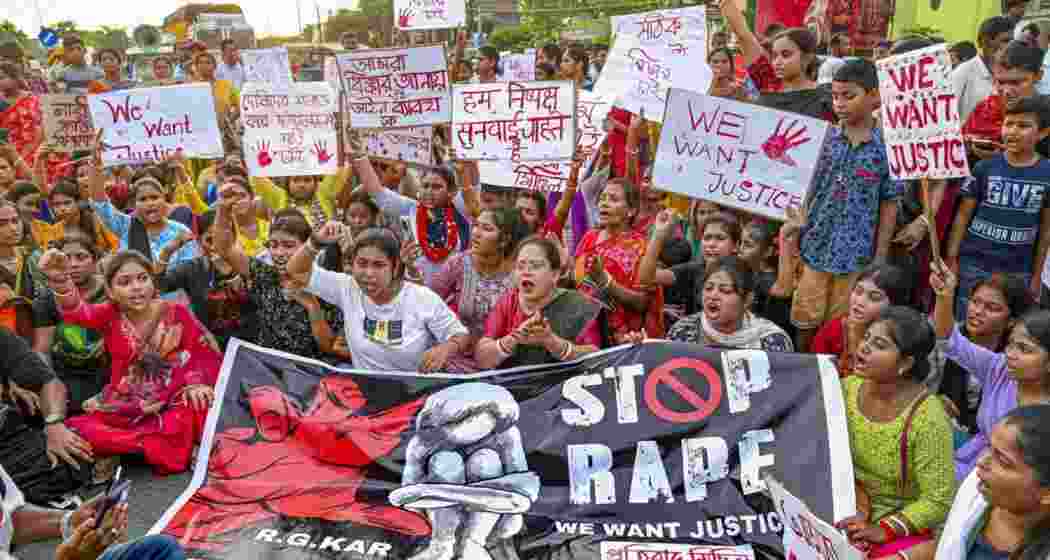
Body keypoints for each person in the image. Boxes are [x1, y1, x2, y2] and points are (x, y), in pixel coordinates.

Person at [40, 248, 222, 475]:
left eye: (142, 278)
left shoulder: (176, 312)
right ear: (111, 291)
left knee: (200, 404)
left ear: (153, 283)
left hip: (175, 397)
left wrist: (196, 383)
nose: (136, 287)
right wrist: (60, 281)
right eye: (125, 282)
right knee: (78, 429)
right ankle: (167, 445)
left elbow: (200, 353)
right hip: (127, 405)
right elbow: (79, 312)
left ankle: (134, 449)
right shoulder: (108, 314)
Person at [792, 59, 901, 352]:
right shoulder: (823, 138)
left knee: (842, 325)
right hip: (815, 245)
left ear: (875, 96)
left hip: (856, 255)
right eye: (835, 96)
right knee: (805, 318)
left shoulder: (887, 147)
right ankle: (804, 364)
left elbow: (890, 202)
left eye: (848, 96)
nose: (839, 103)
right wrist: (796, 230)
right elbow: (804, 186)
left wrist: (880, 255)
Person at [836, 306, 955, 559]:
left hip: (894, 525)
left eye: (879, 344)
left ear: (905, 363)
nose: (864, 348)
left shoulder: (928, 419)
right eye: (866, 337)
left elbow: (938, 500)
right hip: (844, 504)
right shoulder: (846, 389)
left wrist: (883, 529)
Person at [288, 224, 471, 373]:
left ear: (395, 266)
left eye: (378, 265)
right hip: (366, 394)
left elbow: (461, 335)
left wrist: (445, 349)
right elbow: (297, 271)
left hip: (415, 394)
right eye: (362, 264)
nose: (368, 273)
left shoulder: (421, 298)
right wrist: (315, 242)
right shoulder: (347, 288)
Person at [931, 261, 1050, 481]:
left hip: (1003, 482)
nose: (1012, 354)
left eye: (1025, 349)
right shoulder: (1000, 368)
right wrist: (944, 295)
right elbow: (949, 339)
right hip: (970, 458)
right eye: (1012, 345)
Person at [947, 96, 1050, 320]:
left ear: (1042, 133)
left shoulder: (1047, 173)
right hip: (973, 264)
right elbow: (963, 215)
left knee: (1005, 325)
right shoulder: (984, 167)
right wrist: (952, 258)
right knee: (967, 321)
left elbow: (1046, 230)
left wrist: (1035, 276)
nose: (1012, 131)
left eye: (1023, 126)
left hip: (1017, 270)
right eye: (1008, 124)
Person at [213, 205, 347, 362]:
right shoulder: (265, 275)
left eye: (288, 245)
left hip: (310, 370)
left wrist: (312, 306)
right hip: (268, 366)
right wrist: (223, 208)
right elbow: (225, 248)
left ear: (307, 247)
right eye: (273, 245)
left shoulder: (324, 285)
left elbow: (329, 347)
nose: (279, 253)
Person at [915, 405, 1050, 560]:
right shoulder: (975, 488)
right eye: (989, 448)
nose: (980, 462)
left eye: (1002, 461)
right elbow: (949, 543)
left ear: (1046, 494)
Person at [477, 236, 601, 369]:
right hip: (512, 387)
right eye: (520, 266)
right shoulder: (508, 302)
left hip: (564, 386)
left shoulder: (578, 305)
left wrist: (552, 342)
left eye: (535, 266)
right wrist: (512, 339)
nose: (526, 272)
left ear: (555, 275)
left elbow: (596, 359)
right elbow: (482, 359)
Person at [932, 273, 1030, 441]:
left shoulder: (1006, 366)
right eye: (975, 302)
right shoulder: (940, 344)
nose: (977, 312)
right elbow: (947, 338)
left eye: (992, 308)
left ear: (1011, 321)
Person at [432, 207, 528, 372]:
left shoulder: (520, 275)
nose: (476, 233)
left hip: (501, 366)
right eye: (476, 225)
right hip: (454, 361)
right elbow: (428, 302)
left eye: (487, 228)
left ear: (504, 239)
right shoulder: (458, 264)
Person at [575, 177, 663, 343]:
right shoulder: (589, 237)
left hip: (625, 339)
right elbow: (578, 282)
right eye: (602, 198)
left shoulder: (640, 247)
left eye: (613, 199)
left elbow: (642, 302)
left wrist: (606, 282)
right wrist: (563, 265)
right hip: (586, 332)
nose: (604, 203)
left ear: (630, 211)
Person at [32, 233, 110, 414]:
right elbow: (42, 349)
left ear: (95, 260)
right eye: (66, 258)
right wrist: (50, 385)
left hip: (111, 371)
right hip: (68, 374)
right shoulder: (47, 298)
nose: (73, 264)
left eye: (81, 257)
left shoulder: (113, 290)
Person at [719, 0, 834, 121]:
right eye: (774, 56)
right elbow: (742, 34)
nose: (777, 62)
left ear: (807, 58)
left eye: (786, 55)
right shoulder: (768, 82)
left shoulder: (827, 99)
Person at [156, 210, 255, 349]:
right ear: (199, 241)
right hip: (210, 348)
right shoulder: (192, 269)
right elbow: (159, 286)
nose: (217, 246)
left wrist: (230, 273)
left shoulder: (249, 265)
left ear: (233, 238)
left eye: (223, 240)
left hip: (248, 347)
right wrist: (166, 252)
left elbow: (256, 303)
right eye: (210, 240)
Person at [665, 256, 793, 352]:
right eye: (708, 288)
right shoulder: (682, 332)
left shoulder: (773, 342)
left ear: (747, 300)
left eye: (725, 291)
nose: (713, 296)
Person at [811, 263, 914, 377]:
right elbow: (816, 373)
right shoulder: (833, 331)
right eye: (858, 291)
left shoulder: (899, 340)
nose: (860, 301)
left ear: (894, 306)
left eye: (874, 297)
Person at [953, 16, 1016, 124]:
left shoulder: (1012, 73)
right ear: (984, 42)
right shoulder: (963, 72)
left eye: (1011, 41)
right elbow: (948, 115)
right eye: (1005, 41)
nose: (1009, 46)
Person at [31, 180, 119, 253]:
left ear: (78, 202)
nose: (62, 208)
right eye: (57, 205)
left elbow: (117, 245)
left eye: (67, 203)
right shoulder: (53, 231)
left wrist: (106, 258)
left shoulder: (94, 220)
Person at [0, 62, 43, 169]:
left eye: (2, 77)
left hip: (30, 152)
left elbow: (38, 132)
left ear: (15, 78)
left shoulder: (31, 100)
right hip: (4, 153)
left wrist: (21, 157)